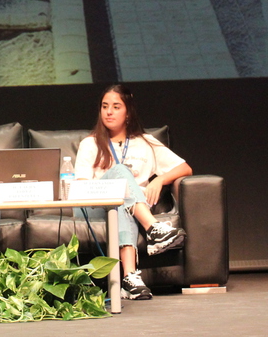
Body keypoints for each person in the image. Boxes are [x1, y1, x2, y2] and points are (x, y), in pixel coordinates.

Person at [73, 85, 192, 300]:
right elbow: (82, 188)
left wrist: (160, 179)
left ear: (128, 112)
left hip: (127, 207)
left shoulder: (145, 143)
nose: (109, 112)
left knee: (122, 204)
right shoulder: (90, 143)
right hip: (94, 206)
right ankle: (153, 228)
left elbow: (185, 168)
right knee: (120, 173)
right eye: (105, 106)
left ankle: (130, 278)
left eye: (116, 107)